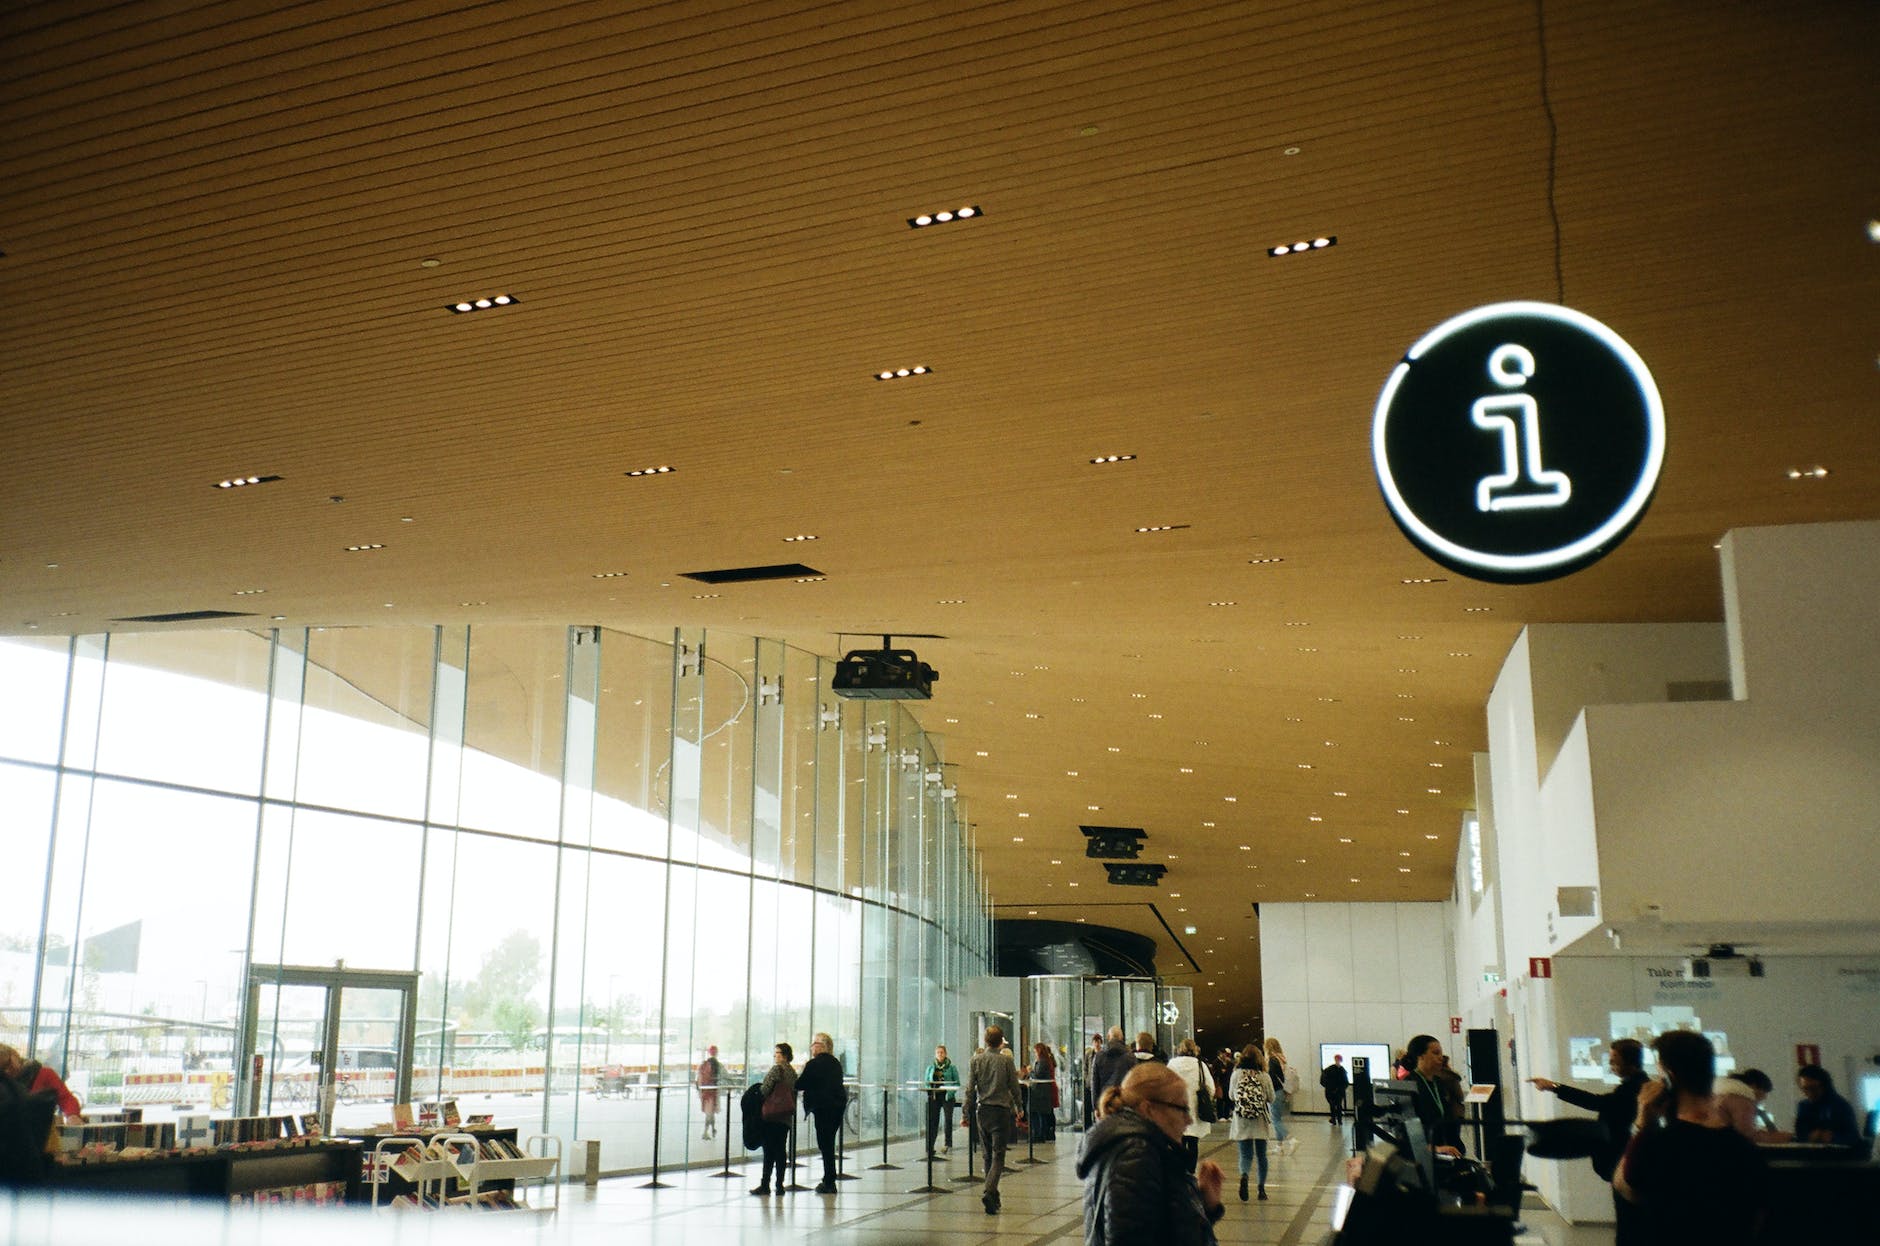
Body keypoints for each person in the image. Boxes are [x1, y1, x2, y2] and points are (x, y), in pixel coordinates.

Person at [1615, 1031, 1769, 1245]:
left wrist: (1642, 1123)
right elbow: (1757, 1219)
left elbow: (1625, 1187)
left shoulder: (1659, 1146)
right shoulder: (1745, 1150)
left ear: (1669, 1078)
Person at [1077, 1061, 1226, 1244]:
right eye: (1182, 1109)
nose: (1188, 1120)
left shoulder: (1138, 1148)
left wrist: (1204, 1204)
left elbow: (1163, 1228)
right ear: (1149, 1109)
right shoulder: (1136, 1155)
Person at [1531, 1037, 1648, 1241]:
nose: (1611, 1066)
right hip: (1621, 1159)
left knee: (1628, 1220)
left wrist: (1555, 1087)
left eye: (1614, 1061)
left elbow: (1596, 1102)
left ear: (1629, 1062)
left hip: (1622, 1159)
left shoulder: (1632, 1089)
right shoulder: (1633, 1086)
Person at [963, 1024, 1022, 1214]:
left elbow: (970, 1089)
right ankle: (989, 1191)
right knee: (998, 1155)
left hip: (983, 1111)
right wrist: (1020, 1108)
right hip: (1001, 1112)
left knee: (987, 1154)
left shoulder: (976, 1060)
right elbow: (1014, 1086)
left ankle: (994, 1199)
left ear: (985, 1041)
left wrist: (966, 1112)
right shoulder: (1006, 1061)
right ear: (1000, 1041)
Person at [795, 1031, 846, 1193]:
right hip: (837, 1107)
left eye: (814, 1044)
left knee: (825, 1144)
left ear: (822, 1046)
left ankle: (829, 1180)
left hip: (822, 1108)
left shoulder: (814, 1064)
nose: (812, 1047)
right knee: (829, 1142)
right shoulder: (836, 1063)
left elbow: (800, 1083)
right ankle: (829, 1178)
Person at [1226, 1043, 1274, 1201]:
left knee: (1245, 1155)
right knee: (1261, 1155)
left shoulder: (1236, 1074)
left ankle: (1245, 1176)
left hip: (1242, 1118)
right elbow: (1271, 1097)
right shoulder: (1264, 1076)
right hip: (1260, 1118)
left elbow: (1232, 1096)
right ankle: (1261, 1189)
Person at [1403, 1035, 1461, 1155]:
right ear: (1420, 1056)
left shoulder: (1439, 1083)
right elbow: (1407, 1130)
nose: (1441, 1058)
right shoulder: (1409, 1084)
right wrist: (1434, 1149)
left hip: (1444, 1147)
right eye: (1435, 1053)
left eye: (1441, 1054)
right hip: (1423, 1152)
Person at [751, 1042, 796, 1196]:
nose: (775, 1055)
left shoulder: (777, 1069)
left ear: (783, 1054)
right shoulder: (792, 1071)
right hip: (785, 1117)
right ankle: (780, 1185)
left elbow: (765, 1089)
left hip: (771, 1116)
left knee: (769, 1151)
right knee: (781, 1150)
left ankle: (765, 1184)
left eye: (777, 1053)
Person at [1165, 1039, 1212, 1173]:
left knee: (1178, 1142)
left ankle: (1179, 1171)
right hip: (1195, 1110)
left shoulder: (1172, 1064)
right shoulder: (1200, 1065)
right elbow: (1210, 1087)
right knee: (1193, 1143)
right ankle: (1190, 1172)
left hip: (1176, 1109)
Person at [0, 1045, 80, 1122]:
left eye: (8, 1063)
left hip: (41, 1131)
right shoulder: (3, 1084)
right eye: (2, 1069)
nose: (7, 1070)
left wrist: (72, 1115)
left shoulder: (44, 1074)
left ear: (14, 1055)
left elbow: (66, 1099)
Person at [1792, 1063, 1860, 1146]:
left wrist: (1832, 1138)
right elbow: (1800, 1135)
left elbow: (1854, 1137)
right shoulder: (1804, 1106)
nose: (1810, 1093)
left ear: (1825, 1085)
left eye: (1814, 1088)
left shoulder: (1840, 1105)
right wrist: (1810, 1136)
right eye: (1805, 1089)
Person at [1712, 1067, 1775, 1139]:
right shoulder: (1741, 1100)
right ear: (1753, 1086)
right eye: (1764, 1091)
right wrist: (1787, 1137)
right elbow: (1746, 1134)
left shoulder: (1721, 1095)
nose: (1764, 1097)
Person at [924, 1043, 961, 1157]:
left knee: (948, 1119)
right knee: (933, 1121)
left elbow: (957, 1083)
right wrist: (930, 1091)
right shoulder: (931, 1068)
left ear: (945, 1054)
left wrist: (951, 1092)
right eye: (938, 1052)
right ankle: (930, 1146)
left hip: (947, 1097)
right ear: (935, 1054)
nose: (940, 1054)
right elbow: (927, 1082)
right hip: (935, 1097)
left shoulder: (952, 1068)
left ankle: (947, 1143)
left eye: (942, 1052)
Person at [1263, 1037, 1294, 1153]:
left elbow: (1271, 1078)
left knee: (1275, 1120)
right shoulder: (1282, 1058)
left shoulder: (1272, 1060)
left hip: (1275, 1092)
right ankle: (1279, 1146)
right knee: (1278, 1118)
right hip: (1282, 1091)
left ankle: (1291, 1139)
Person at [1090, 1026, 1133, 1103]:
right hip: (1123, 1101)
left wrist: (1096, 1106)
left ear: (1108, 1037)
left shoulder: (1099, 1057)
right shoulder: (1130, 1057)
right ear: (1122, 1037)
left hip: (1104, 1102)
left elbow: (1094, 1083)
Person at [1028, 1041, 1059, 1144]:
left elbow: (1038, 1075)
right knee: (1045, 1113)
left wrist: (1030, 1071)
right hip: (1044, 1090)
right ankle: (1045, 1133)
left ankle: (1040, 1134)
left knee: (1040, 1113)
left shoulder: (1042, 1062)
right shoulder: (1046, 1061)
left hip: (1041, 1091)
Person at [696, 1044, 723, 1140]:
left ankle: (711, 1129)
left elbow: (699, 1078)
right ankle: (706, 1131)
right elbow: (721, 1077)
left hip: (705, 1092)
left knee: (710, 1113)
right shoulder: (716, 1064)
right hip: (712, 1092)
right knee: (710, 1113)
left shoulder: (704, 1064)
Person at [1320, 1053, 1350, 1126]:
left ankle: (1334, 1119)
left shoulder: (1329, 1070)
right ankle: (1338, 1119)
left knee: (1333, 1105)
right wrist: (1341, 1089)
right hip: (1337, 1091)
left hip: (1331, 1091)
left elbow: (1323, 1081)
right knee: (1337, 1105)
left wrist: (1328, 1087)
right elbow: (1345, 1082)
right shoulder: (1342, 1071)